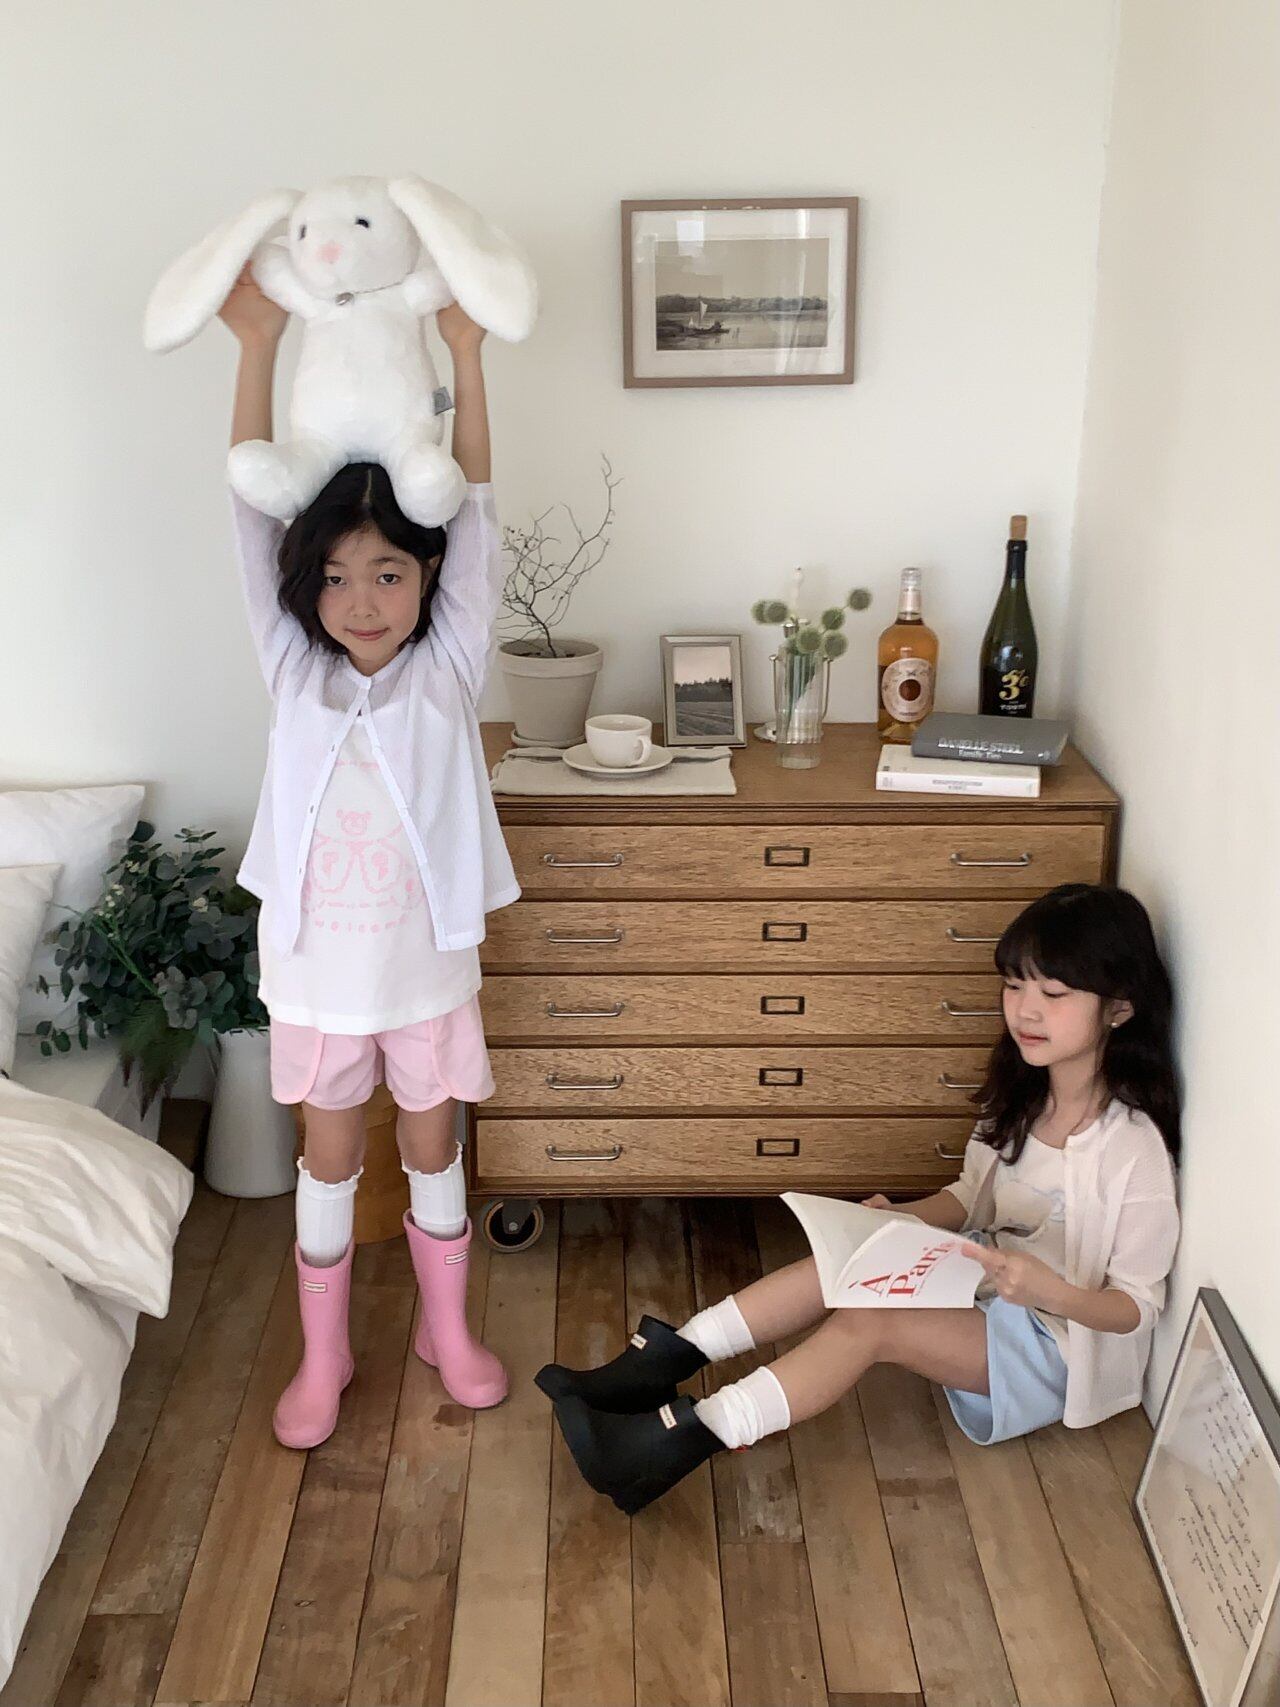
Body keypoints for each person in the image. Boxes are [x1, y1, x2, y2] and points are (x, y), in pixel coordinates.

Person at [538, 883, 1182, 1513]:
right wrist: (897, 1219)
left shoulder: (1131, 1148)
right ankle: (656, 1366)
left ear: (1119, 1009)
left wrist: (1049, 1292)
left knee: (872, 1319)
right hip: (987, 1285)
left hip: (1053, 1346)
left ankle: (669, 1445)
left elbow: (1138, 1307)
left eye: (1054, 994)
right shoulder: (1024, 1096)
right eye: (1014, 986)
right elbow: (971, 1197)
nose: (1025, 1011)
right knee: (849, 1258)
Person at [218, 268, 519, 1449]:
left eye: (387, 572)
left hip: (425, 970)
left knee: (433, 1147)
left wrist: (467, 359)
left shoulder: (447, 670)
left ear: (427, 576)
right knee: (329, 1156)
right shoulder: (293, 672)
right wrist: (256, 346)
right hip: (316, 974)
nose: (361, 600)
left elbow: (476, 511)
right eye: (336, 577)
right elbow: (248, 515)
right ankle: (325, 1352)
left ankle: (448, 1330)